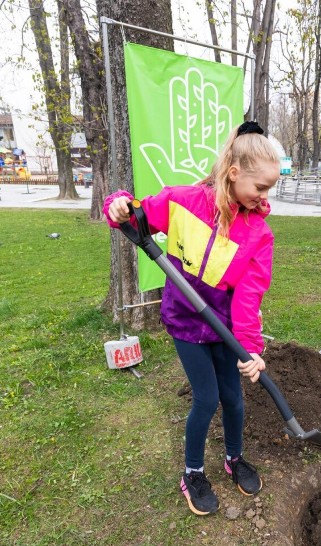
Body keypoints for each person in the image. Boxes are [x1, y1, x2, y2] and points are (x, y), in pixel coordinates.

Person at [104, 121, 280, 517]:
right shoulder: (183, 202)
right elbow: (133, 214)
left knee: (233, 398)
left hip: (224, 327)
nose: (264, 198)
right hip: (185, 322)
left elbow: (249, 297)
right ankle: (193, 472)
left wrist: (250, 348)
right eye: (260, 188)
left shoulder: (258, 234)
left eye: (269, 190)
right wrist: (117, 202)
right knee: (207, 398)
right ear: (234, 174)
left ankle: (234, 458)